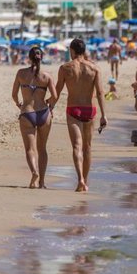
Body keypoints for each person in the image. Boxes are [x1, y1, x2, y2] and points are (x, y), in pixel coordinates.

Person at [53, 38, 107, 192]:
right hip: (90, 110)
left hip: (73, 109)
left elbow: (57, 90)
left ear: (72, 50)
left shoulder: (65, 68)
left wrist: (50, 106)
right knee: (87, 147)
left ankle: (80, 180)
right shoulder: (94, 68)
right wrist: (104, 115)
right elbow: (101, 92)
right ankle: (86, 180)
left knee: (76, 146)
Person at [11, 47, 57, 188]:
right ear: (41, 58)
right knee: (42, 149)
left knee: (30, 149)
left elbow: (14, 95)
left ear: (29, 58)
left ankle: (34, 172)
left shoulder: (21, 73)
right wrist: (49, 105)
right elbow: (55, 97)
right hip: (43, 113)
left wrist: (21, 105)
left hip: (27, 113)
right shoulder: (47, 76)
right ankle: (42, 181)